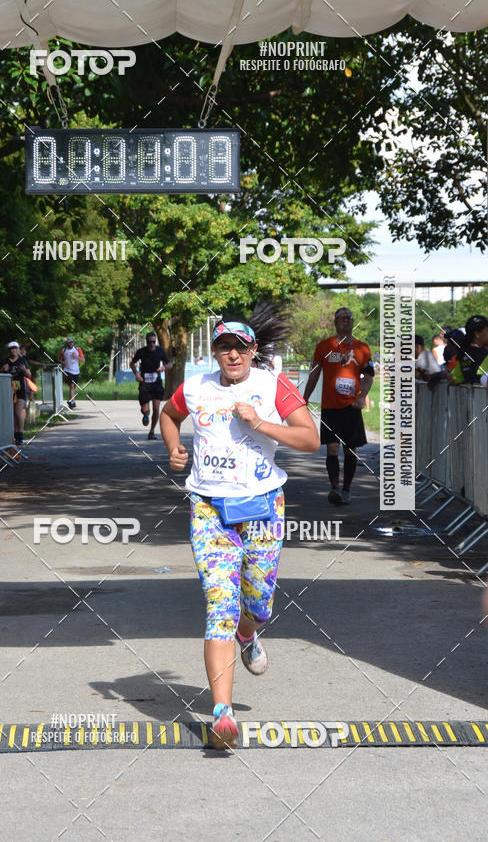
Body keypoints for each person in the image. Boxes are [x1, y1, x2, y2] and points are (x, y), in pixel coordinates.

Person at [160, 302, 320, 750]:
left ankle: (250, 633)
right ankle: (222, 713)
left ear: (253, 352)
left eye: (240, 348)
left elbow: (310, 438)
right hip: (210, 509)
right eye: (224, 347)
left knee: (258, 604)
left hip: (265, 508)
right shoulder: (194, 388)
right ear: (214, 352)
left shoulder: (273, 385)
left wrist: (263, 422)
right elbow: (169, 417)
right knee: (219, 606)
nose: (232, 355)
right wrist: (174, 448)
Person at [302, 306, 374, 505]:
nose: (346, 320)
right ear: (335, 321)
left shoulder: (362, 348)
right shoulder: (324, 347)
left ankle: (346, 490)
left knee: (350, 450)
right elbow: (314, 373)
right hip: (330, 407)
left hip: (351, 407)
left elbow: (369, 376)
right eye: (342, 317)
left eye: (349, 317)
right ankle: (334, 488)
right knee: (332, 449)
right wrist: (305, 397)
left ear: (352, 322)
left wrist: (362, 397)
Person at [130, 332, 172, 440]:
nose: (152, 344)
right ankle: (146, 414)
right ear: (146, 342)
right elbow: (132, 363)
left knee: (156, 407)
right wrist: (137, 374)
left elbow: (170, 363)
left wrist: (164, 367)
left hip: (156, 383)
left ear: (155, 342)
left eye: (153, 342)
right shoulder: (142, 352)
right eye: (149, 342)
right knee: (145, 409)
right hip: (144, 383)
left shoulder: (160, 351)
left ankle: (152, 431)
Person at [0, 341, 31, 445]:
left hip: (20, 389)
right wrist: (3, 369)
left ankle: (20, 435)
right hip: (7, 389)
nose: (13, 350)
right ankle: (14, 436)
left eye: (15, 348)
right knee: (12, 414)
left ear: (18, 349)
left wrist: (24, 370)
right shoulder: (5, 360)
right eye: (11, 348)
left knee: (17, 412)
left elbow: (29, 375)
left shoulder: (22, 360)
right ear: (9, 350)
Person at [450, 315, 488, 385]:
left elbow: (454, 380)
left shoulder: (463, 355)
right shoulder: (485, 355)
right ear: (477, 334)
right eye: (487, 330)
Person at [57, 337, 85, 408]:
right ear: (67, 343)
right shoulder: (63, 350)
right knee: (72, 385)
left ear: (73, 343)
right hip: (67, 370)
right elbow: (58, 359)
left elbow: (83, 360)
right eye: (69, 342)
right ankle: (72, 401)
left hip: (76, 371)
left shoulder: (78, 349)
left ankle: (70, 401)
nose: (71, 343)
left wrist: (77, 356)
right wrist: (63, 362)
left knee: (73, 387)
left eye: (72, 342)